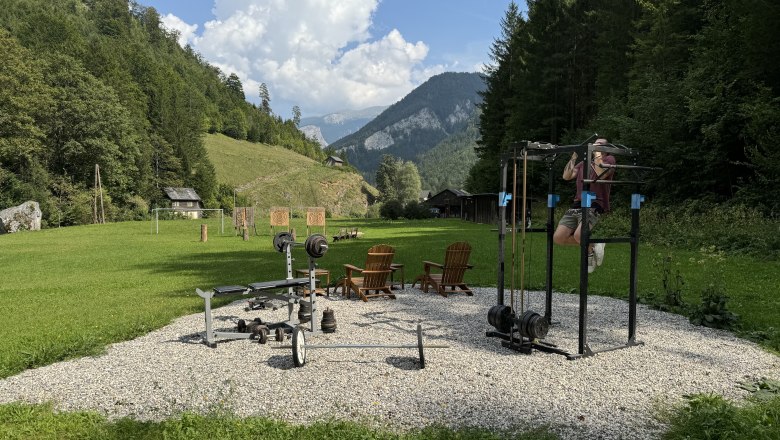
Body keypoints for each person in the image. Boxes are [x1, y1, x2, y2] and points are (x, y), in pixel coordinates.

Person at [553, 138, 616, 273]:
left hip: (594, 203)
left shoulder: (609, 159)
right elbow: (566, 176)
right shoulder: (584, 163)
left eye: (599, 144)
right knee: (558, 238)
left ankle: (589, 253)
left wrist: (597, 153)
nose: (594, 145)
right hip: (578, 204)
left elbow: (600, 174)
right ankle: (593, 245)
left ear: (605, 148)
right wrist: (573, 158)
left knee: (579, 235)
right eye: (595, 143)